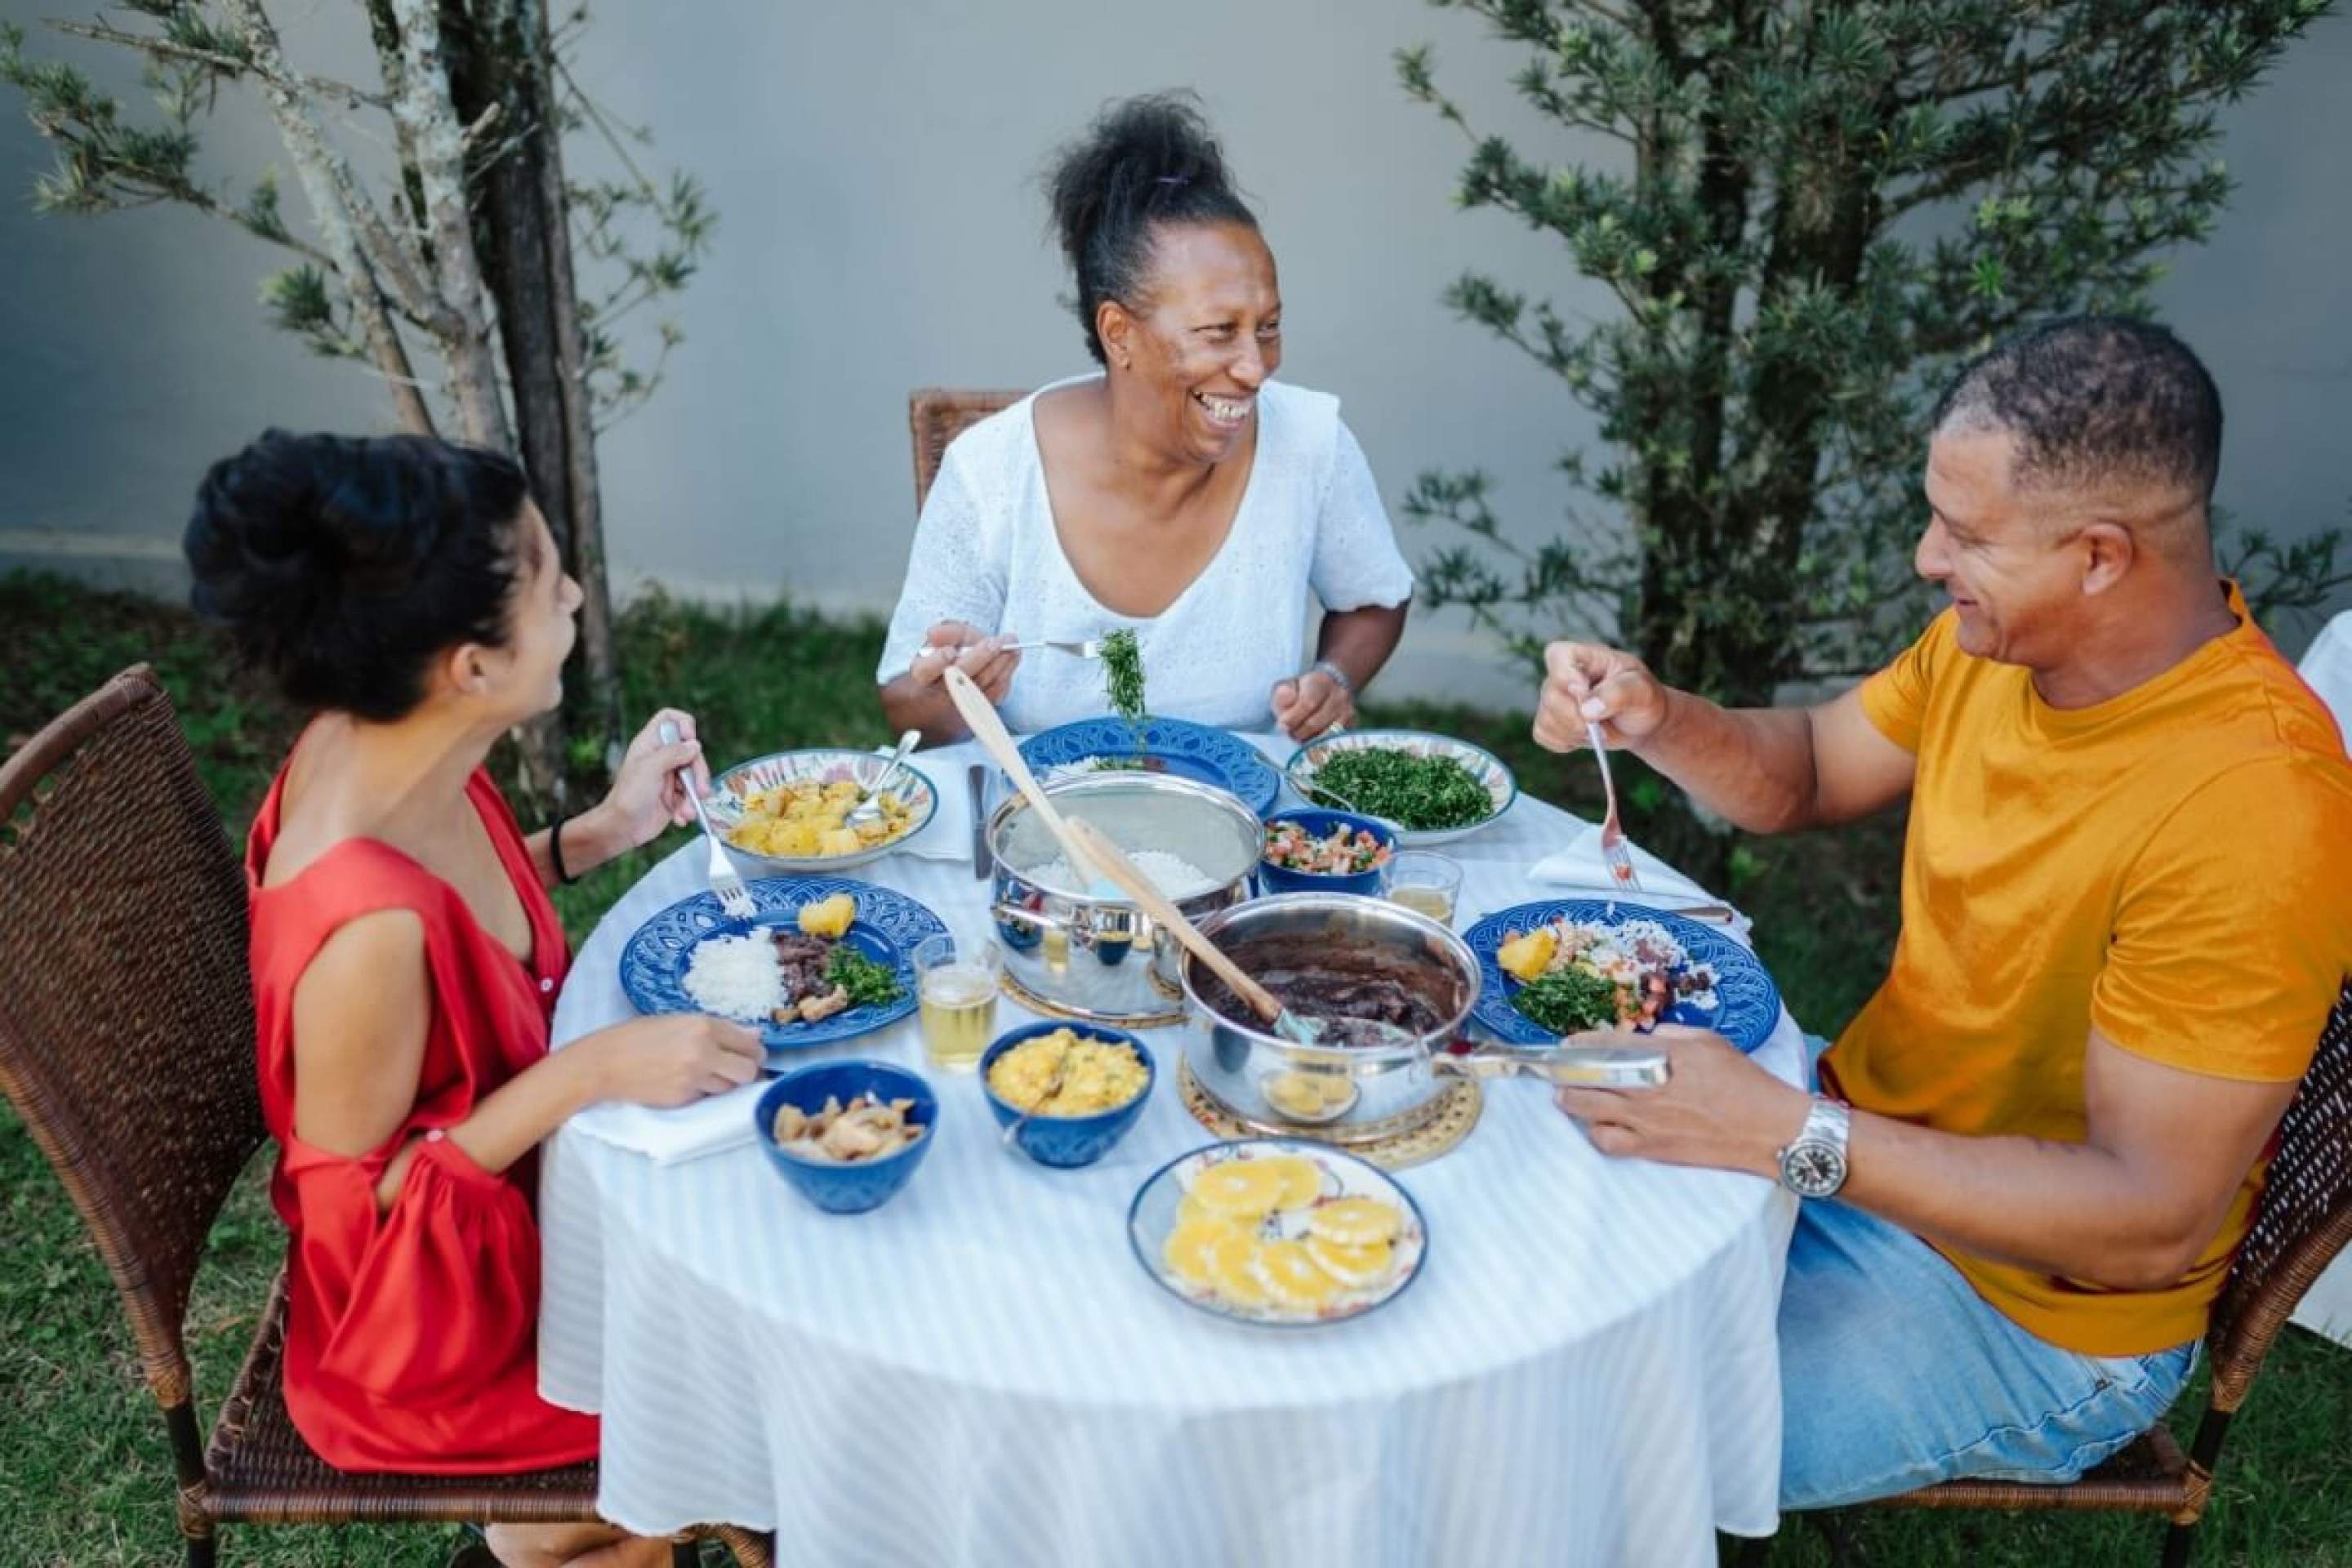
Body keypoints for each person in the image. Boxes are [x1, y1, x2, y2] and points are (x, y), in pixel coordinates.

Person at [1528, 318, 2352, 1508]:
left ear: (2102, 557)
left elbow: (2146, 1221)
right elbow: (1808, 767)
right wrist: (1661, 717)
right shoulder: (2001, 643)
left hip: (2030, 1315)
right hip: (1851, 1137)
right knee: (1513, 1207)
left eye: (1964, 534)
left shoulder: (2255, 808)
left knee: (1584, 1452)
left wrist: (1784, 1134)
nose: (1927, 557)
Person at [185, 431, 764, 1568]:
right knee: (747, 1416)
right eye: (552, 581)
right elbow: (369, 1217)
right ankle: (540, 1535)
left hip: (513, 1233)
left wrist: (605, 830)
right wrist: (590, 1071)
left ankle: (560, 1540)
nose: (578, 595)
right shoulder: (365, 930)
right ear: (474, 668)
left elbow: (468, 923)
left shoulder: (388, 742)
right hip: (424, 1343)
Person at [876, 91, 1414, 743]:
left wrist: (1335, 675)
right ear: (1118, 332)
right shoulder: (992, 471)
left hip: (1245, 819)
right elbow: (908, 704)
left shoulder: (1310, 444)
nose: (1254, 367)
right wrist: (952, 691)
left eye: (1268, 327)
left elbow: (1374, 597)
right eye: (1219, 332)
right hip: (1042, 820)